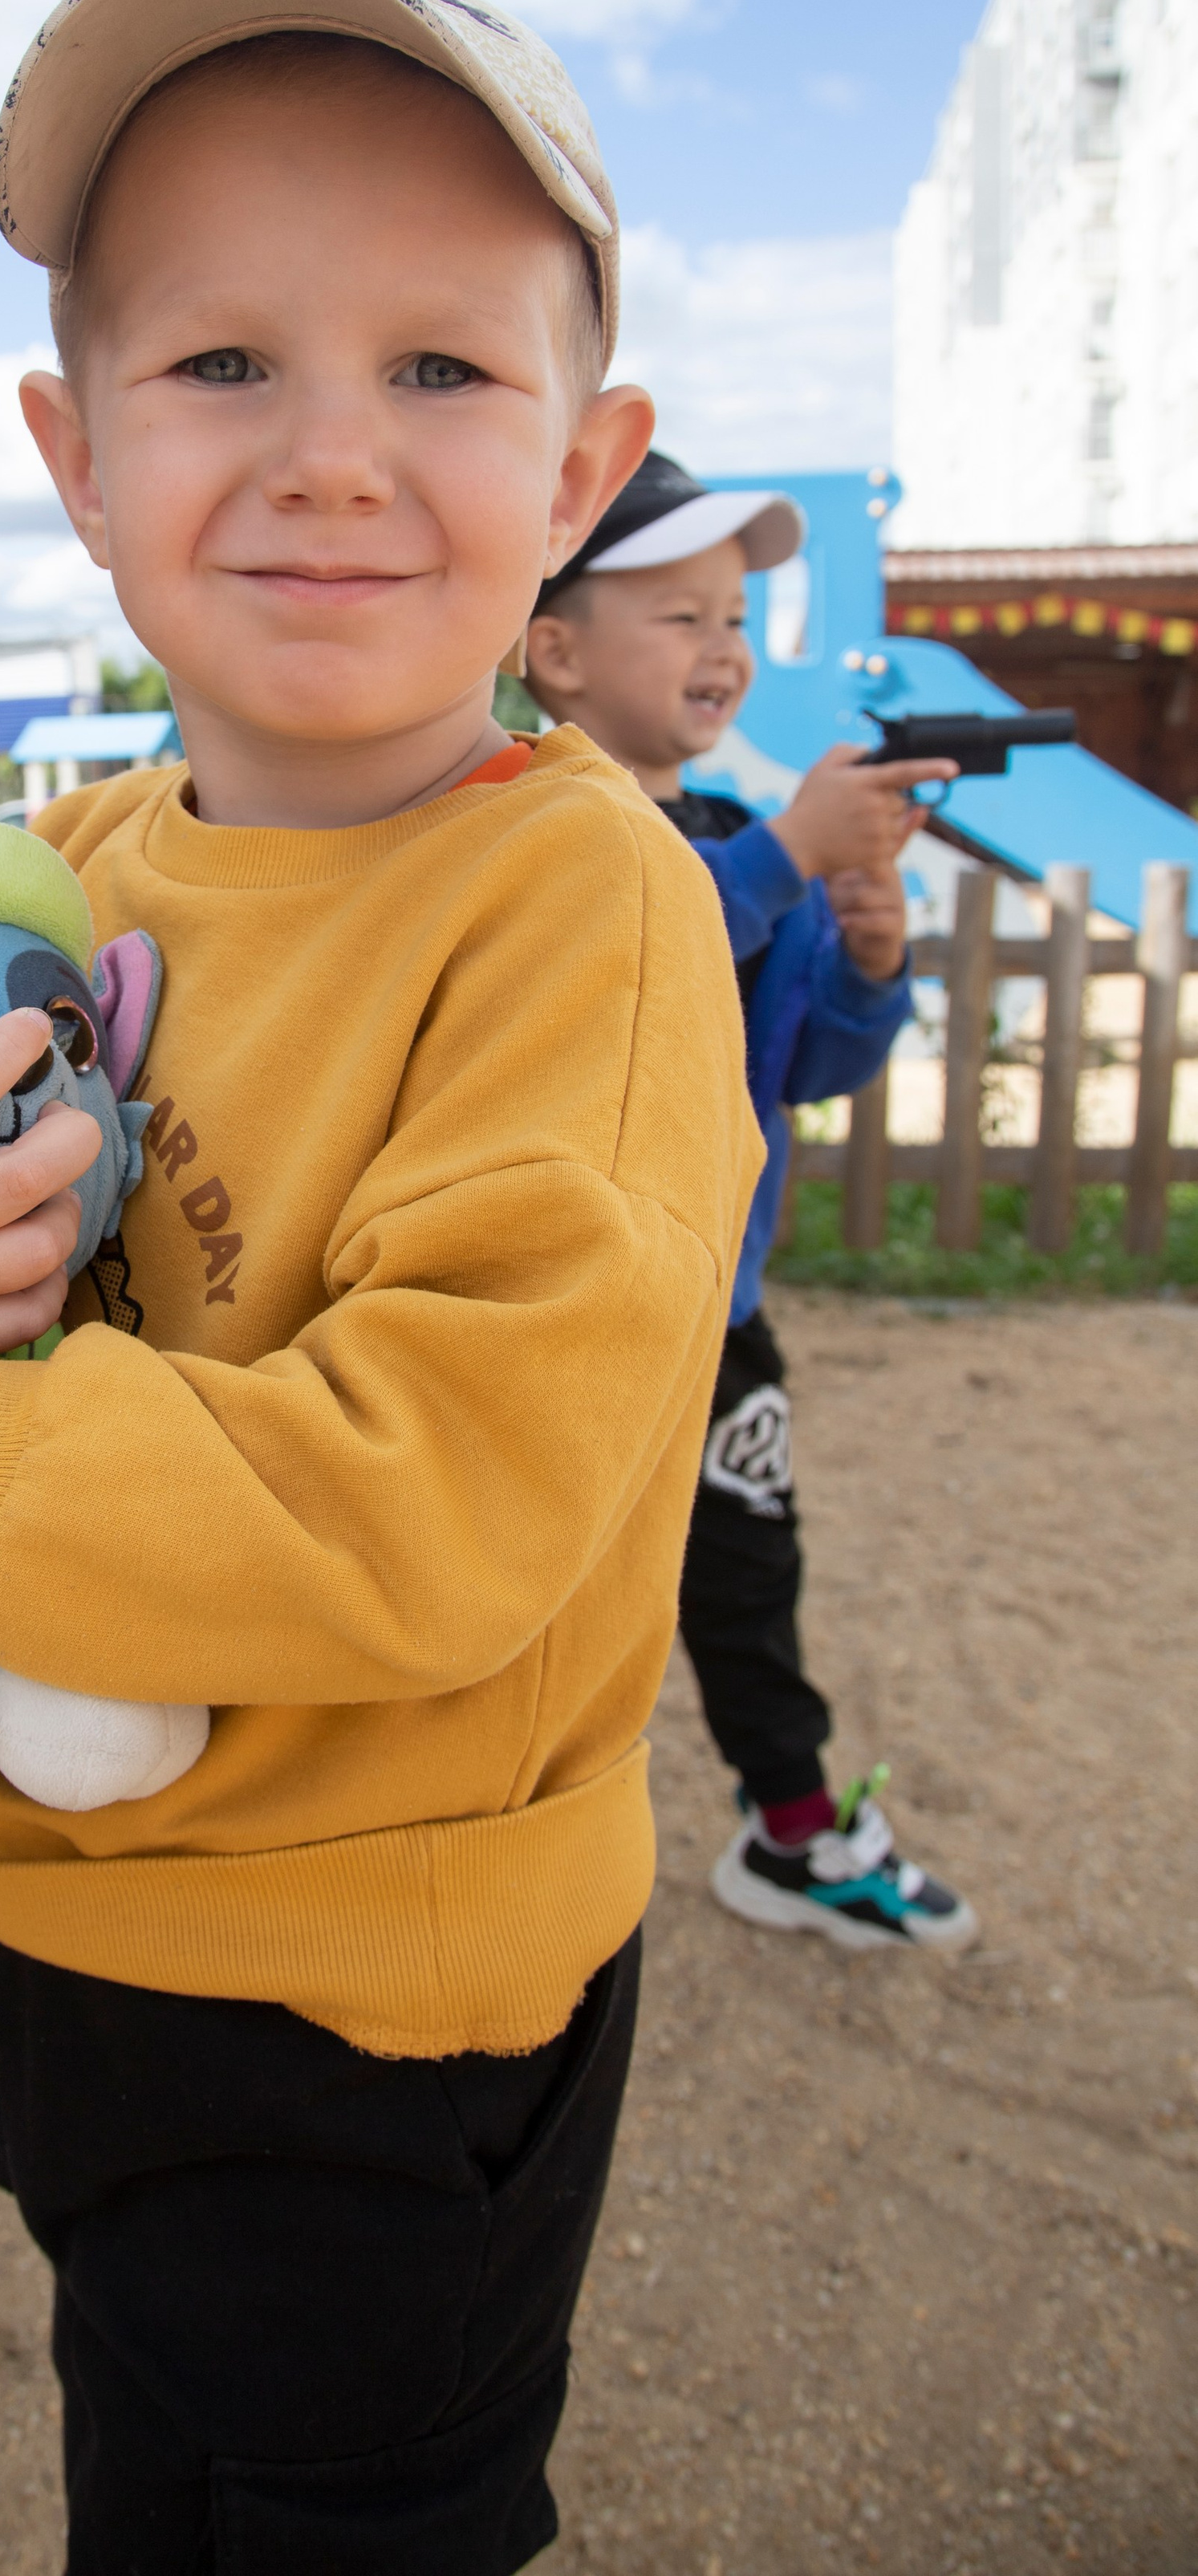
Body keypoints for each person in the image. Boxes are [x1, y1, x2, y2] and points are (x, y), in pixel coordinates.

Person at [0, 0, 760, 2574]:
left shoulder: (577, 911)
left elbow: (440, 1503)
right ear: (74, 455)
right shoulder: (65, 878)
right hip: (84, 1935)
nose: (335, 454)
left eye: (443, 370)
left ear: (585, 469)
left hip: (371, 2015)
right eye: (225, 362)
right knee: (148, 2481)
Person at [522, 447, 979, 1952]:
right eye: (680, 615)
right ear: (558, 652)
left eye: (735, 616)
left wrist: (866, 946)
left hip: (714, 1308)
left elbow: (809, 1066)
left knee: (746, 1566)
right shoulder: (531, 829)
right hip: (554, 1321)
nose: (723, 648)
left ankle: (791, 1829)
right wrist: (794, 854)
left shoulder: (731, 834)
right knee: (514, 1581)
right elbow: (619, 954)